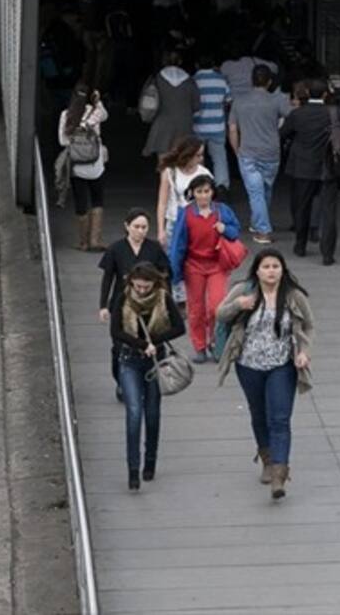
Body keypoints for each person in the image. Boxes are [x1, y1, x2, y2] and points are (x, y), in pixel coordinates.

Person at [215, 250, 313, 500]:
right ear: (257, 270)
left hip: (282, 365)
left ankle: (280, 473)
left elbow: (308, 325)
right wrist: (238, 304)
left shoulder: (293, 296)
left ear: (282, 270)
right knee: (259, 414)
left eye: (276, 266)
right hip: (248, 364)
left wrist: (303, 351)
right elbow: (219, 313)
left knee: (279, 418)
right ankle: (267, 457)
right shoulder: (243, 291)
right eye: (266, 266)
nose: (271, 271)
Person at [110, 262, 185, 490]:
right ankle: (133, 469)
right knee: (133, 412)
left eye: (146, 287)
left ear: (155, 284)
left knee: (152, 413)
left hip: (156, 362)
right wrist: (143, 344)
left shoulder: (162, 298)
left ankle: (150, 461)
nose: (142, 291)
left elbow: (179, 327)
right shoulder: (124, 298)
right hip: (129, 360)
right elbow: (116, 332)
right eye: (138, 286)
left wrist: (156, 341)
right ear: (131, 282)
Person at [167, 175, 242, 363]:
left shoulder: (222, 211)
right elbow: (177, 244)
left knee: (217, 307)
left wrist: (224, 229)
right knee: (196, 309)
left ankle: (216, 343)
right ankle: (199, 346)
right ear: (192, 193)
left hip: (217, 265)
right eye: (199, 191)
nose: (203, 196)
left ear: (212, 192)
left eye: (206, 191)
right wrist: (174, 272)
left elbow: (236, 231)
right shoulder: (185, 213)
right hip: (193, 266)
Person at [98, 209, 170, 403]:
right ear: (127, 226)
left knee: (147, 342)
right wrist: (103, 305)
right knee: (119, 346)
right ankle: (121, 381)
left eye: (144, 227)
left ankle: (143, 381)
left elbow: (165, 275)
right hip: (122, 305)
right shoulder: (116, 248)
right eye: (136, 227)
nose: (140, 231)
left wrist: (166, 301)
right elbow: (108, 278)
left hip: (149, 304)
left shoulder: (154, 248)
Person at [228, 64, 291, 245]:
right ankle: (259, 224)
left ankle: (263, 230)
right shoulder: (277, 100)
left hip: (248, 152)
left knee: (256, 192)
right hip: (271, 152)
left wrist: (236, 150)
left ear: (251, 81)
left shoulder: (239, 102)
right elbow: (292, 116)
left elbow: (233, 129)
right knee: (265, 190)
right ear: (270, 81)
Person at [279, 78, 333, 261]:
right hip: (326, 165)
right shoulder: (332, 113)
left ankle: (300, 244)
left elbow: (282, 133)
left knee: (302, 206)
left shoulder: (297, 114)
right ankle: (325, 247)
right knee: (327, 207)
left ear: (308, 94)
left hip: (301, 165)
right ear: (326, 95)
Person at [57, 83, 108, 252]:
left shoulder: (66, 115)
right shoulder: (96, 113)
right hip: (96, 165)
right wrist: (98, 101)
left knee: (81, 202)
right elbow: (105, 115)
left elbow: (62, 141)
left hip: (77, 166)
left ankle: (83, 242)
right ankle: (95, 240)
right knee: (97, 200)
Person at [142, 51, 200, 163]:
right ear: (180, 61)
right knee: (182, 159)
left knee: (163, 162)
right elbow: (197, 106)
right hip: (185, 125)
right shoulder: (189, 80)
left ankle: (165, 180)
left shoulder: (157, 78)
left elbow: (148, 101)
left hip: (162, 123)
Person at [155, 136, 212, 248]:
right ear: (188, 155)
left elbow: (210, 202)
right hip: (174, 221)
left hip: (197, 222)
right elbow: (162, 203)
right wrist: (161, 230)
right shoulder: (169, 172)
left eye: (201, 155)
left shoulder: (204, 174)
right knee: (173, 260)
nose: (200, 159)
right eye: (197, 155)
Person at [191, 53, 232, 194]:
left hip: (198, 126)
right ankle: (222, 185)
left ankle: (199, 186)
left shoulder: (193, 81)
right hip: (217, 126)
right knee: (219, 158)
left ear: (197, 65)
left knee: (197, 158)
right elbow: (228, 101)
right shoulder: (221, 80)